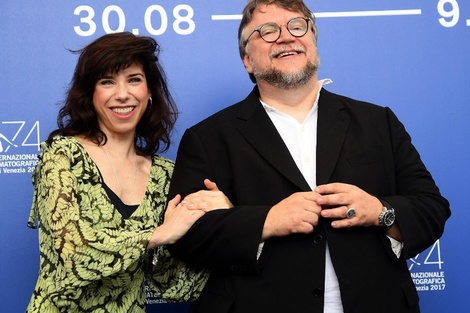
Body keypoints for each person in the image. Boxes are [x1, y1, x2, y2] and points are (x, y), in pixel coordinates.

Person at [166, 0, 451, 312]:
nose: (286, 36)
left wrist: (379, 210)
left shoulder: (377, 122)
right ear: (247, 59)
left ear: (313, 41)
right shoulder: (208, 138)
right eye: (268, 31)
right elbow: (185, 237)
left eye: (297, 26)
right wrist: (266, 221)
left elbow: (432, 209)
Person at [26, 32, 232, 313]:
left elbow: (171, 286)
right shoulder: (63, 155)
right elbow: (73, 255)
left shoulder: (163, 175)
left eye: (134, 79)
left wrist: (222, 220)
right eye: (107, 81)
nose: (122, 94)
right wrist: (157, 234)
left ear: (149, 92)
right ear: (90, 94)